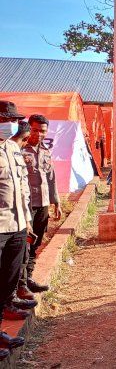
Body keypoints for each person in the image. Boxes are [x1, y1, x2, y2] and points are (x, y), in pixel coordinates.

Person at [0, 101, 31, 358]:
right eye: (5, 118)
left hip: (18, 224)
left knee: (8, 280)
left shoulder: (12, 147)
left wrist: (27, 220)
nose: (10, 123)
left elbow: (22, 188)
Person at [20, 114, 62, 297]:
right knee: (23, 245)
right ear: (29, 128)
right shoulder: (20, 149)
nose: (39, 134)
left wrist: (57, 202)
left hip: (43, 203)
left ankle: (28, 278)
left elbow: (51, 179)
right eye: (35, 130)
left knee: (36, 243)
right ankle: (20, 284)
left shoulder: (45, 151)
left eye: (43, 131)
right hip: (26, 205)